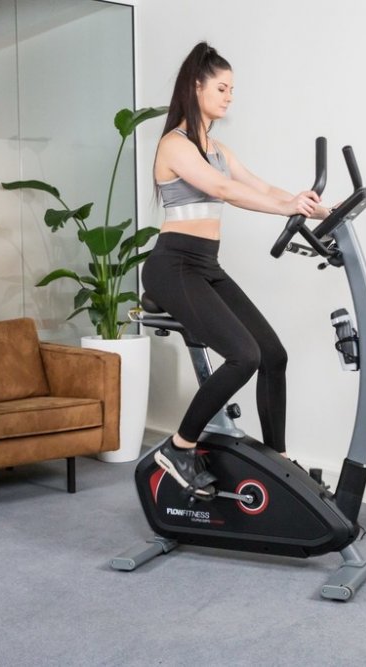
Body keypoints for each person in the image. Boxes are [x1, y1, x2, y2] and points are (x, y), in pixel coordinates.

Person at [142, 42, 331, 499]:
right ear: (196, 86)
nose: (229, 97)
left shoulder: (219, 149)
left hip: (206, 265)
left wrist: (321, 209)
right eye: (222, 88)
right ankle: (180, 448)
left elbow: (261, 187)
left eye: (232, 90)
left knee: (273, 355)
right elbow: (224, 190)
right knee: (244, 356)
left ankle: (279, 461)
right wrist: (285, 207)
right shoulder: (175, 145)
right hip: (173, 265)